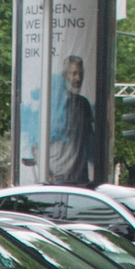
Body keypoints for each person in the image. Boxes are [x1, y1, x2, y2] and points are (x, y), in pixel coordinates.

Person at [48, 56, 96, 186]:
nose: (78, 79)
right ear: (64, 75)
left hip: (80, 179)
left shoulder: (83, 104)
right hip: (59, 180)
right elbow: (36, 143)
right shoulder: (53, 105)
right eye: (74, 73)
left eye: (81, 74)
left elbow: (90, 142)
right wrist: (48, 174)